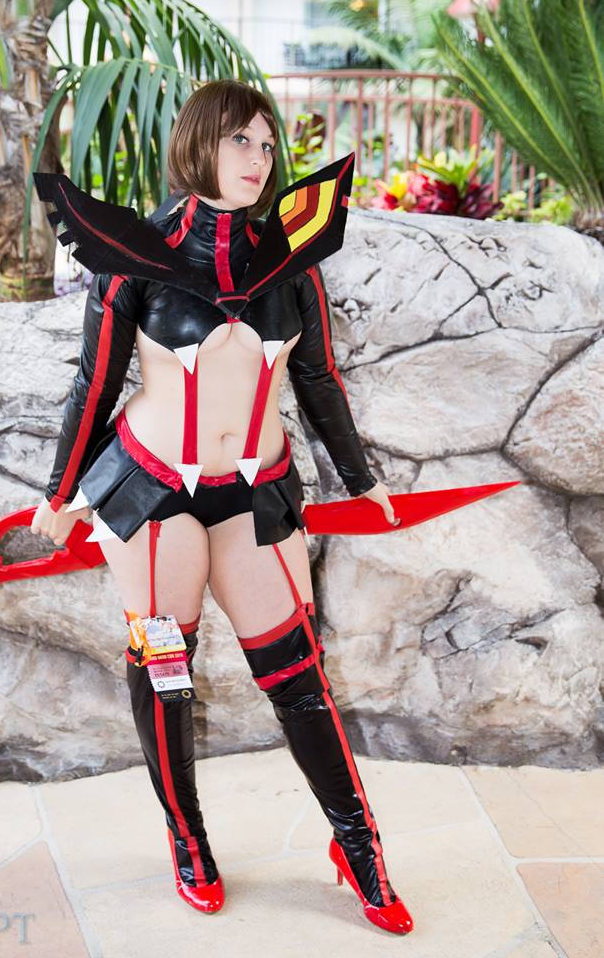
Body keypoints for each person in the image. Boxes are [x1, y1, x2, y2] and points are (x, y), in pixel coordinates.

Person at [30, 78, 412, 935]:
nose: (259, 158)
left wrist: (362, 479)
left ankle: (357, 843)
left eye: (268, 145)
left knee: (299, 677)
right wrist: (59, 494)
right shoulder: (133, 251)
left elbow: (317, 377)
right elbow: (94, 381)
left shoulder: (292, 256)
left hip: (254, 493)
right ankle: (188, 838)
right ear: (199, 142)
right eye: (241, 139)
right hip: (152, 490)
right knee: (166, 672)